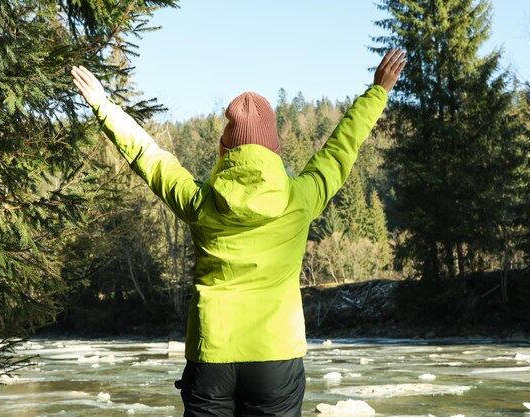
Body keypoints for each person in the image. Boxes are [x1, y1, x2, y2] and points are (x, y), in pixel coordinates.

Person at [71, 48, 405, 417]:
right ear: (275, 150)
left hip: (212, 352)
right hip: (276, 356)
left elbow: (148, 156)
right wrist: (377, 92)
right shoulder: (302, 198)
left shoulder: (200, 201)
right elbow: (343, 147)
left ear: (223, 149)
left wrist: (103, 104)